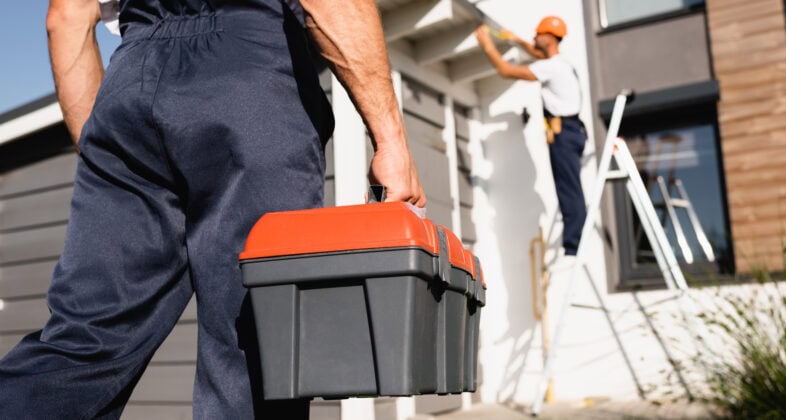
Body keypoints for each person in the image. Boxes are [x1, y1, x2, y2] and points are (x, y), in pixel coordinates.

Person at [0, 0, 425, 418]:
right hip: (249, 69)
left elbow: (65, 17)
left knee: (81, 341)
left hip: (130, 79)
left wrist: (112, 160)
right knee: (256, 344)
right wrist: (391, 140)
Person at [476, 16, 587, 257]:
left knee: (568, 189)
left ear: (548, 38)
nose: (534, 39)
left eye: (537, 35)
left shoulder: (552, 67)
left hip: (563, 134)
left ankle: (573, 247)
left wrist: (486, 44)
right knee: (571, 187)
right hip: (573, 131)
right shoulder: (562, 64)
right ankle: (575, 242)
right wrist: (516, 39)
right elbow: (538, 55)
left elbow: (506, 71)